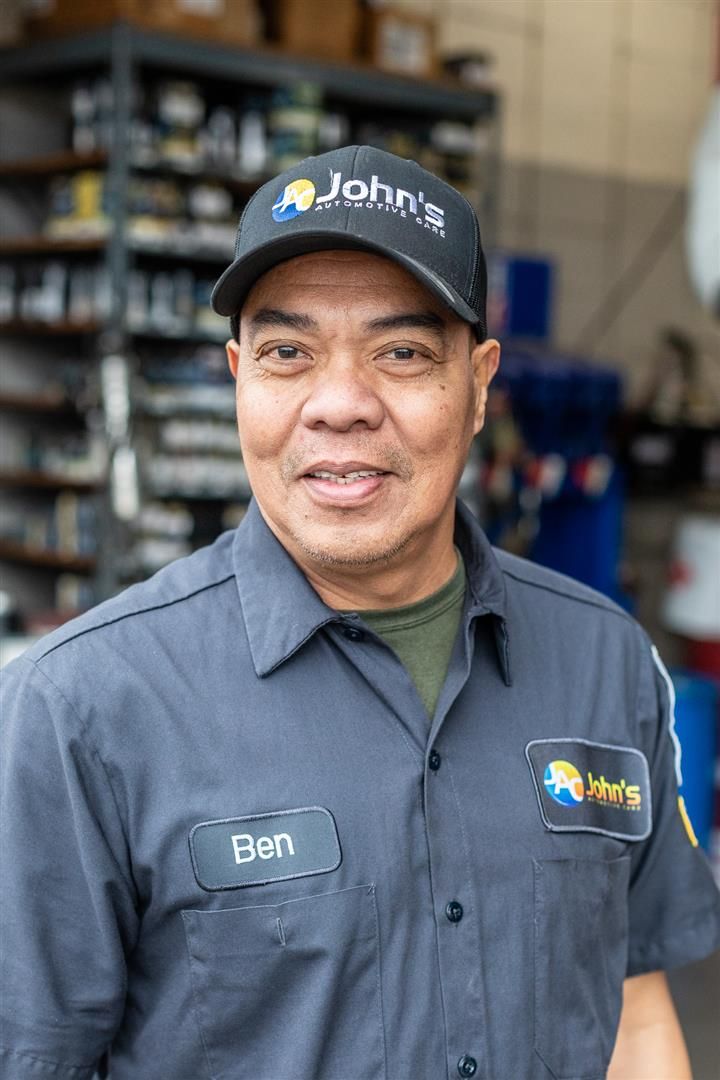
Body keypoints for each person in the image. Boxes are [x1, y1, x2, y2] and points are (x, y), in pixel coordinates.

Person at [1, 145, 719, 1080]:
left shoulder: (607, 661)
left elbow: (632, 1010)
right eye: (288, 353)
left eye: (403, 352)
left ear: (478, 385)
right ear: (238, 377)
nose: (338, 404)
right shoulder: (80, 711)